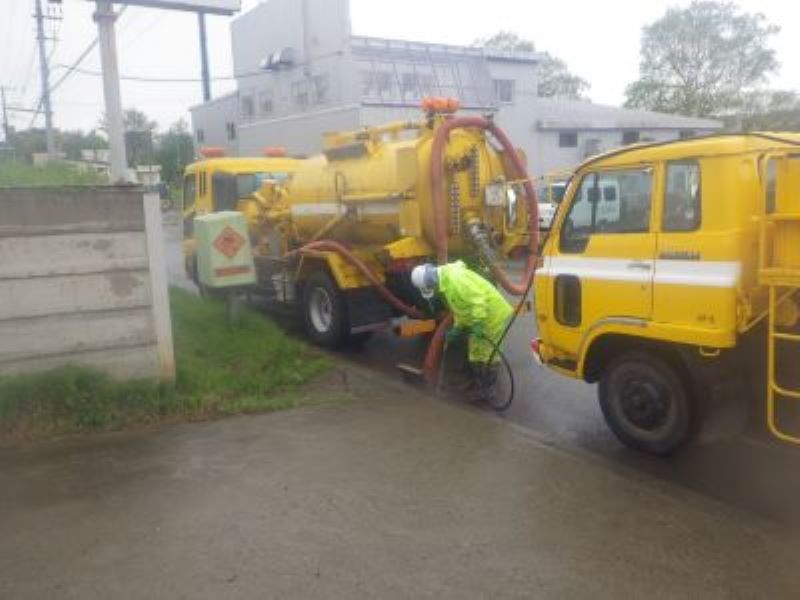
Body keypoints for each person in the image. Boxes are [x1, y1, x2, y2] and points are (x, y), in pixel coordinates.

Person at [411, 260, 513, 399]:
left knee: (484, 354)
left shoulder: (455, 281)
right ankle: (480, 383)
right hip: (484, 315)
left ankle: (486, 390)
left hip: (491, 316)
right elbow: (461, 308)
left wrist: (478, 323)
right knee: (475, 351)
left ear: (430, 282)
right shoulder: (446, 284)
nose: (433, 291)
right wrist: (458, 328)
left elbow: (478, 300)